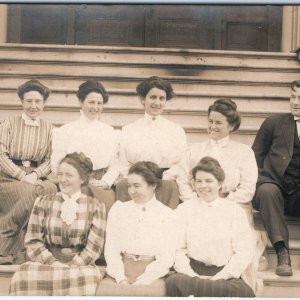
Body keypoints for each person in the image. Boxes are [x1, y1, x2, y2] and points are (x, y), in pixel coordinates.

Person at [187, 99, 266, 289]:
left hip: (233, 204)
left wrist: (222, 201)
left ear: (231, 126)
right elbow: (183, 178)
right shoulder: (195, 149)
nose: (212, 126)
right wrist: (196, 199)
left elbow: (247, 188)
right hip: (199, 202)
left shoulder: (244, 152)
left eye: (218, 122)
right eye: (210, 121)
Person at [9, 152, 106, 296]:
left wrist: (74, 264)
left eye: (69, 175)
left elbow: (94, 247)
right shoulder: (43, 202)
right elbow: (33, 241)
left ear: (83, 178)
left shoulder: (95, 206)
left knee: (87, 278)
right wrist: (52, 262)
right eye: (60, 174)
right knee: (23, 274)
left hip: (80, 266)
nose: (63, 179)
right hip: (47, 263)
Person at [166, 157, 255, 297]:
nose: (203, 186)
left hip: (224, 273)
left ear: (219, 183)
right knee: (173, 282)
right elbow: (178, 249)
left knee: (242, 291)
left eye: (209, 181)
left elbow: (243, 252)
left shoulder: (234, 211)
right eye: (198, 181)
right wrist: (191, 275)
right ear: (193, 183)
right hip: (191, 271)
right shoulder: (184, 210)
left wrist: (221, 276)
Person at [97, 161, 175, 296]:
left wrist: (145, 279)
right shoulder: (119, 209)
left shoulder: (166, 214)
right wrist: (120, 278)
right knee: (106, 292)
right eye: (129, 186)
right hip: (120, 272)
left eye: (137, 186)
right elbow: (111, 249)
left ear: (153, 185)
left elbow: (167, 257)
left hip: (152, 275)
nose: (131, 191)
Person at [0, 80, 57, 264]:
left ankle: (35, 247)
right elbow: (1, 155)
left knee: (50, 190)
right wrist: (22, 176)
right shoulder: (8, 123)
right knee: (27, 192)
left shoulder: (49, 129)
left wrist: (35, 175)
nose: (33, 106)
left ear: (43, 103)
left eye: (38, 101)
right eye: (29, 101)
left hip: (37, 175)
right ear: (22, 102)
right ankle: (8, 247)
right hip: (9, 176)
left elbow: (50, 159)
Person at [116, 76, 188, 209]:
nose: (157, 102)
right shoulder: (129, 129)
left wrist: (162, 178)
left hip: (165, 184)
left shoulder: (175, 130)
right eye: (153, 97)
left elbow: (181, 163)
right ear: (143, 99)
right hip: (137, 185)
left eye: (162, 98)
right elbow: (123, 162)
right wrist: (140, 180)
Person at [252, 80, 300, 276]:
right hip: (273, 187)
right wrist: (260, 180)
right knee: (267, 190)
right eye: (293, 96)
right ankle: (282, 252)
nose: (295, 102)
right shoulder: (273, 122)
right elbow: (254, 157)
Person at [51, 80, 119, 213]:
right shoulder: (65, 131)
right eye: (91, 102)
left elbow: (115, 163)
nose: (95, 107)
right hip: (72, 183)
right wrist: (74, 179)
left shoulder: (110, 132)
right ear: (81, 102)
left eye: (99, 103)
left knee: (105, 205)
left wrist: (106, 181)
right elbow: (56, 163)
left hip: (100, 184)